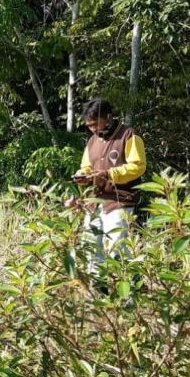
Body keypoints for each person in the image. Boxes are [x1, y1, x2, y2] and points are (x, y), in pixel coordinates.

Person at [73, 99, 147, 274]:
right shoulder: (92, 141)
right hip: (93, 203)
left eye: (95, 124)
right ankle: (98, 296)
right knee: (91, 251)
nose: (92, 129)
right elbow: (86, 166)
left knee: (117, 251)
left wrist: (109, 174)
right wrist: (82, 176)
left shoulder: (129, 135)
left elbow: (138, 166)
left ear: (108, 117)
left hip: (119, 202)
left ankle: (125, 298)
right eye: (89, 126)